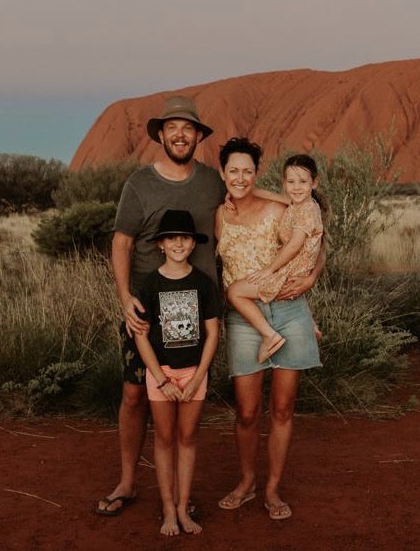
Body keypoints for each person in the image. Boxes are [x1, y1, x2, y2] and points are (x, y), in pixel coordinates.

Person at [96, 95, 225, 517]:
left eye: (188, 128)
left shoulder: (211, 181)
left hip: (199, 308)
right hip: (145, 311)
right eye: (173, 128)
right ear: (161, 135)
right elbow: (122, 242)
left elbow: (243, 205)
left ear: (198, 136)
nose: (180, 135)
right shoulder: (139, 184)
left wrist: (298, 207)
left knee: (187, 397)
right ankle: (129, 482)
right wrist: (123, 297)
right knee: (135, 395)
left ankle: (180, 497)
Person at [215, 138, 324, 521]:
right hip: (245, 319)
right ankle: (246, 483)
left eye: (248, 171)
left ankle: (272, 489)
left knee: (282, 408)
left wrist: (311, 279)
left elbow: (315, 243)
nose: (241, 178)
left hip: (288, 310)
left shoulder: (282, 206)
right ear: (223, 173)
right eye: (233, 171)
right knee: (246, 411)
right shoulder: (219, 215)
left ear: (256, 174)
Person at [134, 209, 220, 536]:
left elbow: (213, 333)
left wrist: (198, 377)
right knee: (165, 438)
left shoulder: (203, 283)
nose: (179, 244)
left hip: (194, 374)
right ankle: (168, 508)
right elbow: (141, 334)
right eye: (172, 238)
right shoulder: (149, 285)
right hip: (162, 374)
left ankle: (184, 508)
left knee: (187, 438)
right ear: (161, 244)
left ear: (192, 243)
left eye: (184, 238)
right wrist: (160, 378)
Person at [226, 154, 324, 364]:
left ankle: (269, 336)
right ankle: (311, 323)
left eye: (303, 182)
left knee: (235, 292)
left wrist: (269, 270)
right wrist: (232, 195)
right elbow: (264, 193)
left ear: (314, 182)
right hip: (295, 270)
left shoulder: (306, 211)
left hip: (289, 272)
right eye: (291, 182)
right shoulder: (298, 203)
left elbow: (294, 245)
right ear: (284, 183)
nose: (296, 187)